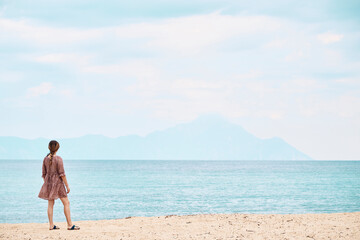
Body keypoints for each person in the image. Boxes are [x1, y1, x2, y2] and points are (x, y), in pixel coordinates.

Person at [38, 140, 80, 230]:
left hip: (48, 183)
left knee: (50, 204)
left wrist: (48, 183)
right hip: (58, 184)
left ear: (49, 147)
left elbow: (44, 174)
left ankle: (51, 225)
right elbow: (62, 174)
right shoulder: (58, 159)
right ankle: (69, 225)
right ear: (57, 148)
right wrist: (67, 186)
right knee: (66, 203)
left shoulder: (45, 159)